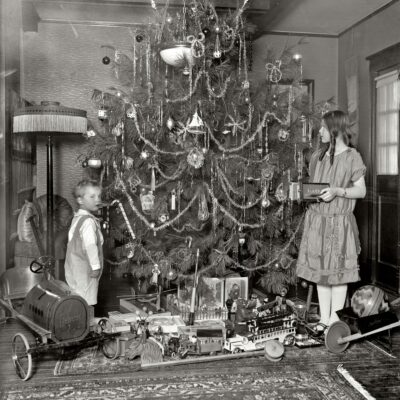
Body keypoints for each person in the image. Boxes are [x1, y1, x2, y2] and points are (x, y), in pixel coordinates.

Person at [296, 110, 366, 332]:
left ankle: (335, 321)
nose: (320, 131)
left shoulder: (352, 157)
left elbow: (361, 191)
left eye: (324, 128)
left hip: (339, 223)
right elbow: (315, 186)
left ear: (335, 130)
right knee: (320, 274)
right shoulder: (318, 156)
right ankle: (324, 320)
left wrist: (337, 191)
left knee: (337, 275)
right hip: (317, 221)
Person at [65, 179, 104, 314]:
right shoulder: (88, 222)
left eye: (98, 196)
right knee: (86, 300)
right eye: (92, 196)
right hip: (85, 269)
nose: (97, 200)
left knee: (77, 296)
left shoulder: (77, 218)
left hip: (74, 267)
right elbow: (90, 245)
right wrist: (95, 267)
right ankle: (86, 325)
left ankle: (77, 323)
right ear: (80, 200)